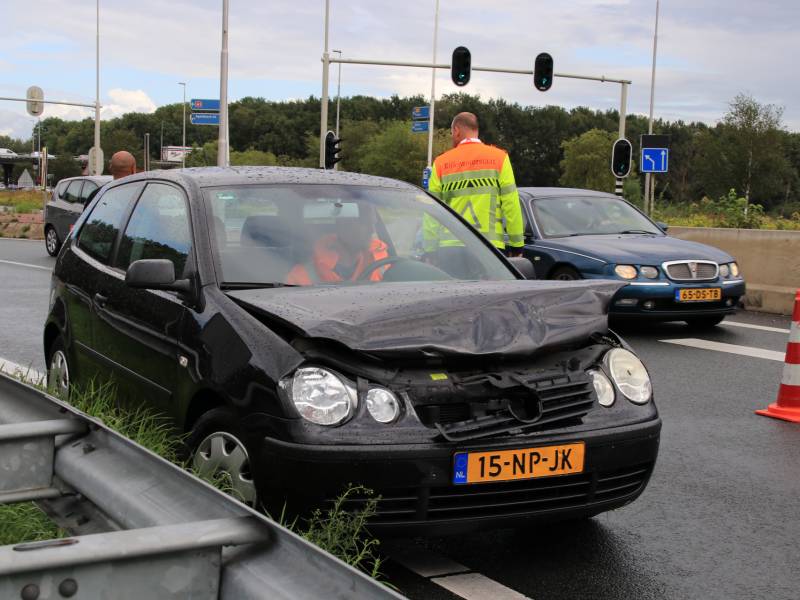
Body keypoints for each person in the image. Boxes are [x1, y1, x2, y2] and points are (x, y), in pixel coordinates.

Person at [426, 112, 524, 257]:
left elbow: (432, 210)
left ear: (457, 130)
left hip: (450, 249)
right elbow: (511, 205)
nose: (452, 136)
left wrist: (429, 249)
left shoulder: (440, 163)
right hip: (490, 248)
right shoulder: (500, 158)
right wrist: (517, 246)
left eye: (452, 132)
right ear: (476, 131)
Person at [286, 203, 389, 285]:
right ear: (343, 227)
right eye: (365, 224)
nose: (372, 230)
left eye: (373, 224)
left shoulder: (382, 262)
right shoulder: (301, 276)